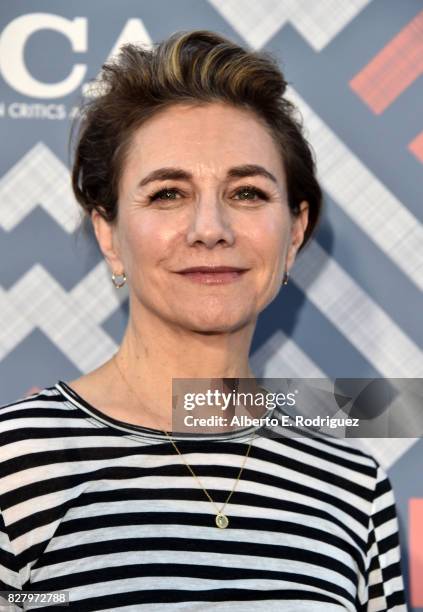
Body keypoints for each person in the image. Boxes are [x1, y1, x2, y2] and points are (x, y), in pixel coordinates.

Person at [0, 29, 406, 610]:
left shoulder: (352, 491)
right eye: (168, 193)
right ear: (109, 233)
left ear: (294, 231)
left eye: (247, 192)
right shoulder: (13, 467)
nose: (210, 228)